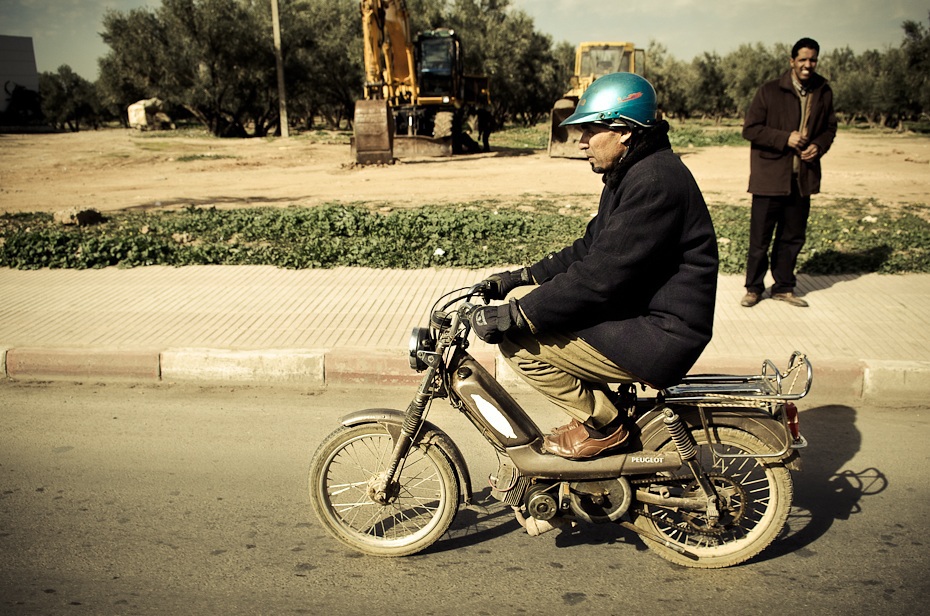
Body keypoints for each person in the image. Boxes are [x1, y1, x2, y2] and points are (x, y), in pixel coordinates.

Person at [468, 73, 719, 460]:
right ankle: (602, 420)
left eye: (589, 130)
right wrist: (520, 278)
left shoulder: (654, 182)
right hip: (643, 315)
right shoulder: (632, 172)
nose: (581, 142)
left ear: (623, 131)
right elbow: (590, 247)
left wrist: (519, 315)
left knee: (519, 344)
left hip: (663, 334)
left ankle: (605, 423)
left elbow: (600, 276)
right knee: (544, 319)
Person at [741, 37, 838, 308]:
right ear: (792, 61)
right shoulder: (770, 91)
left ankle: (784, 287)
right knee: (760, 238)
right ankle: (754, 288)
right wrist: (785, 138)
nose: (808, 65)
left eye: (813, 60)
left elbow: (830, 129)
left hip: (802, 179)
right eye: (803, 59)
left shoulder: (823, 91)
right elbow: (750, 129)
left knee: (792, 237)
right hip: (769, 178)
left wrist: (818, 146)